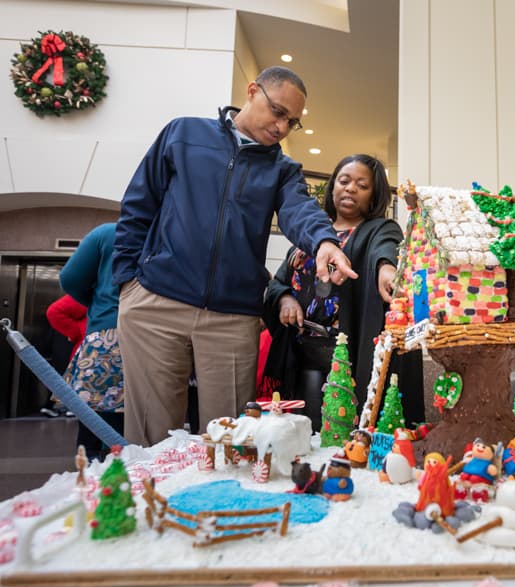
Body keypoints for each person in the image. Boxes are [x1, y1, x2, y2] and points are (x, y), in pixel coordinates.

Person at [113, 66, 356, 447]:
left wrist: (324, 241)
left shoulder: (283, 169)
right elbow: (138, 207)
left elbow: (298, 210)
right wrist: (128, 283)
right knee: (151, 441)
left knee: (230, 442)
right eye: (278, 112)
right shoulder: (184, 135)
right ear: (252, 91)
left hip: (232, 317)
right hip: (155, 303)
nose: (282, 127)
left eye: (292, 123)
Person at [263, 154, 424, 431]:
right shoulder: (311, 235)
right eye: (344, 181)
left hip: (347, 356)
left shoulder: (379, 229)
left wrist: (386, 269)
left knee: (344, 433)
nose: (350, 188)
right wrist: (285, 299)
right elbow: (279, 282)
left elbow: (386, 249)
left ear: (375, 195)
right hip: (301, 354)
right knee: (302, 430)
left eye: (362, 185)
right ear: (333, 186)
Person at [59, 222, 125, 459]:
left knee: (93, 423)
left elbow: (69, 278)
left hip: (105, 337)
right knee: (142, 431)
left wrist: (99, 305)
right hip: (157, 336)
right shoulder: (169, 232)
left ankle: (92, 484)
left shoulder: (107, 232)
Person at [40, 294, 87, 417]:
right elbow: (55, 311)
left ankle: (52, 405)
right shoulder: (89, 293)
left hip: (68, 342)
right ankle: (70, 406)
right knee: (68, 376)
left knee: (62, 375)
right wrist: (78, 333)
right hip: (74, 344)